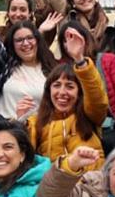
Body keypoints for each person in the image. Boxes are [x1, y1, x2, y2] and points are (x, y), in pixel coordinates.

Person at [26, 27, 110, 175]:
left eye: (70, 86)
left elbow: (97, 98)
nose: (62, 93)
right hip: (52, 184)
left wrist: (80, 60)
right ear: (48, 91)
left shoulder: (89, 115)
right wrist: (21, 122)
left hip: (88, 183)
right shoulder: (36, 122)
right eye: (56, 85)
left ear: (79, 93)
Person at [0, 13, 57, 121]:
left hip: (36, 128)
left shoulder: (51, 70)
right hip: (2, 127)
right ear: (12, 45)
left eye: (30, 38)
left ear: (37, 40)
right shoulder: (6, 65)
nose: (25, 43)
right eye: (19, 40)